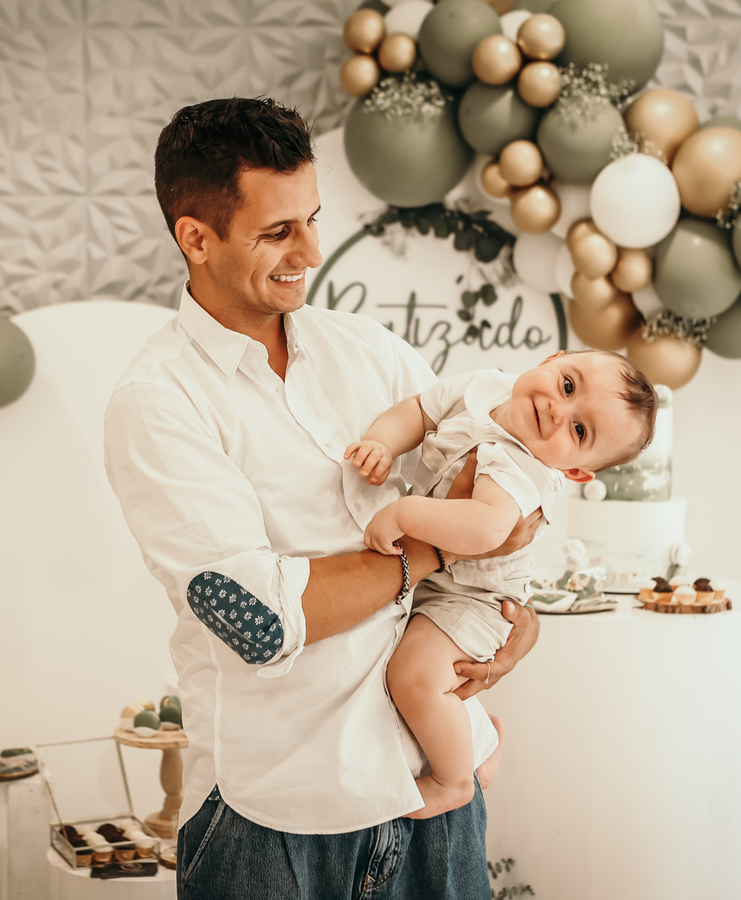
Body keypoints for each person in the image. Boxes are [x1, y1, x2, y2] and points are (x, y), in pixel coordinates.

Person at [103, 96, 544, 900]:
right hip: (273, 818)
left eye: (311, 220)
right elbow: (260, 619)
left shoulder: (372, 352)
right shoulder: (159, 401)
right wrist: (442, 544)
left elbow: (494, 485)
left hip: (431, 800)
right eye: (278, 232)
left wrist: (517, 615)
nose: (309, 252)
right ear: (195, 238)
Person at [345, 350, 656, 818]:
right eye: (568, 385)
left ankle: (454, 781)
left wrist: (405, 513)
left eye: (579, 430)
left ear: (573, 471)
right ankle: (481, 737)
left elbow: (486, 530)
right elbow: (419, 411)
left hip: (475, 598)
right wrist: (382, 443)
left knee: (412, 675)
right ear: (553, 358)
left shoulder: (522, 466)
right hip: (438, 577)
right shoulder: (484, 386)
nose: (557, 410)